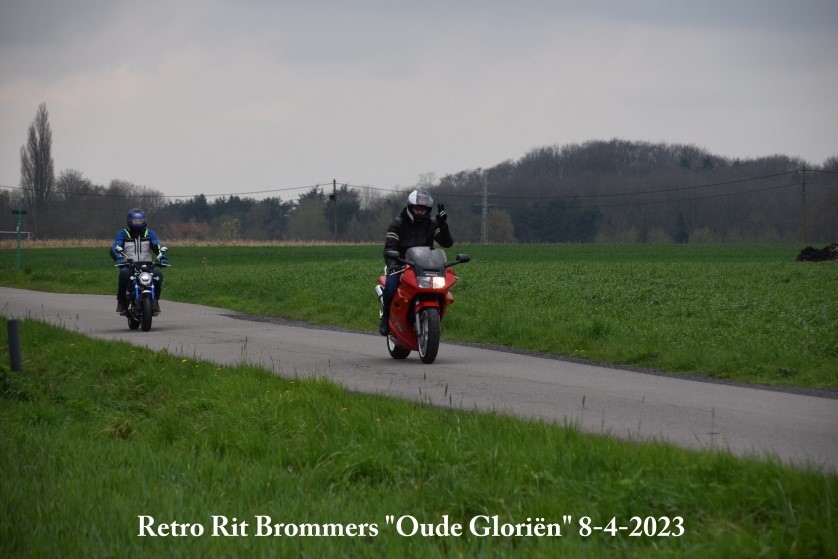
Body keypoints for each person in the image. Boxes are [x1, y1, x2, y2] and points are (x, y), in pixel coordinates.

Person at [379, 189, 453, 335]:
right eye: (417, 208)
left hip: (425, 266)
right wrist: (393, 263)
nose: (420, 212)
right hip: (401, 265)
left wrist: (443, 225)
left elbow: (447, 243)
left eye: (423, 209)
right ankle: (386, 317)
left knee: (442, 289)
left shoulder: (432, 224)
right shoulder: (397, 223)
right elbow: (390, 246)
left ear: (428, 210)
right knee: (390, 287)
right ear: (410, 207)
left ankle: (432, 320)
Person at [110, 208, 168, 314]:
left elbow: (157, 245)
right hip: (129, 265)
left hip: (147, 266)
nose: (137, 223)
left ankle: (155, 300)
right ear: (129, 221)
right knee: (124, 274)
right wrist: (118, 258)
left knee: (158, 275)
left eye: (140, 221)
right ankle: (121, 301)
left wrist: (162, 257)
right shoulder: (123, 233)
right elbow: (115, 247)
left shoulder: (149, 233)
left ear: (144, 221)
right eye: (135, 221)